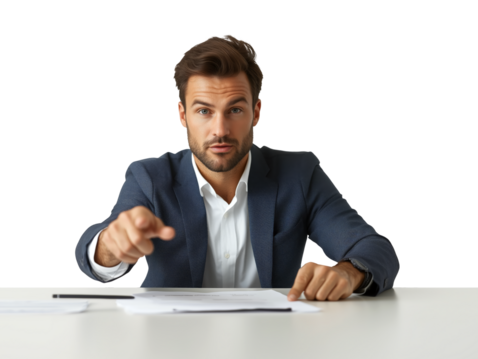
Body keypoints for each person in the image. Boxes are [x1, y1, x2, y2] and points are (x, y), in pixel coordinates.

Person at [74, 33, 401, 301]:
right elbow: (92, 251)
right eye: (203, 111)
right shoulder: (149, 177)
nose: (220, 130)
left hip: (273, 343)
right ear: (181, 115)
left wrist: (346, 273)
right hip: (170, 344)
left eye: (234, 110)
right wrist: (109, 245)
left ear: (256, 112)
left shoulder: (299, 174)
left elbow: (375, 249)